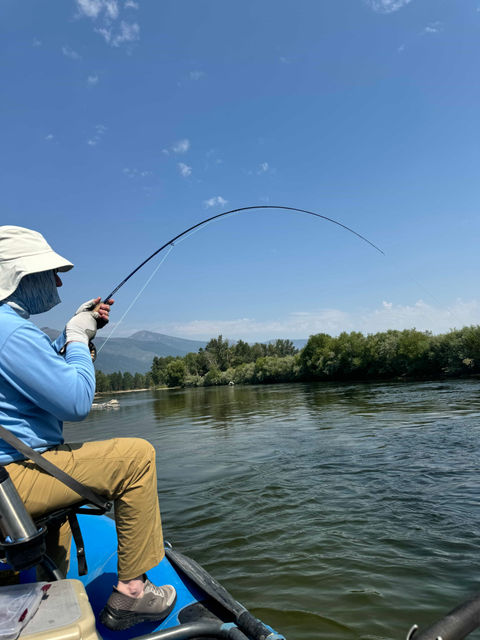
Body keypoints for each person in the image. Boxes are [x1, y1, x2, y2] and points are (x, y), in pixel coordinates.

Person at [0, 225, 176, 631]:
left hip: (7, 478)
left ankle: (42, 596)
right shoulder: (10, 331)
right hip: (12, 479)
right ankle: (133, 594)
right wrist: (79, 337)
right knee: (136, 457)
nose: (59, 280)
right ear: (19, 275)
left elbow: (35, 380)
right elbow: (77, 402)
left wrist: (70, 334)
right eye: (50, 272)